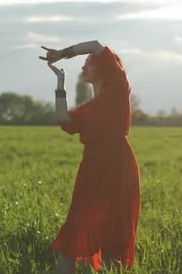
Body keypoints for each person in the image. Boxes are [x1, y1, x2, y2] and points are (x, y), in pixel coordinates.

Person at [39, 40, 140, 273]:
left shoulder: (118, 87)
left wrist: (63, 53)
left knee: (112, 231)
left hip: (116, 164)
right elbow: (64, 119)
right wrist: (60, 84)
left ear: (104, 67)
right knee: (75, 226)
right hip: (92, 167)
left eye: (88, 63)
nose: (84, 67)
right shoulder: (89, 108)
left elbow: (95, 45)